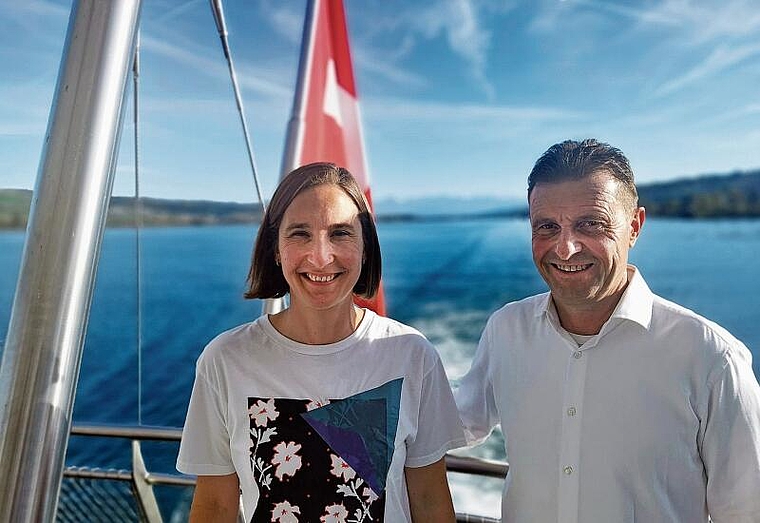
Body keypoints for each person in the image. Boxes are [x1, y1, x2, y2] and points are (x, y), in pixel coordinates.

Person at [455, 139, 760, 522]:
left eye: (591, 224)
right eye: (547, 227)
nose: (565, 248)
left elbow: (747, 512)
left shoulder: (712, 359)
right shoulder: (505, 331)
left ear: (634, 226)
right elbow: (449, 424)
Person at [177, 162, 465, 523]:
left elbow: (429, 500)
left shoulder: (411, 354)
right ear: (276, 249)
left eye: (341, 233)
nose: (321, 256)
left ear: (365, 248)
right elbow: (215, 507)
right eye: (300, 234)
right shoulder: (226, 359)